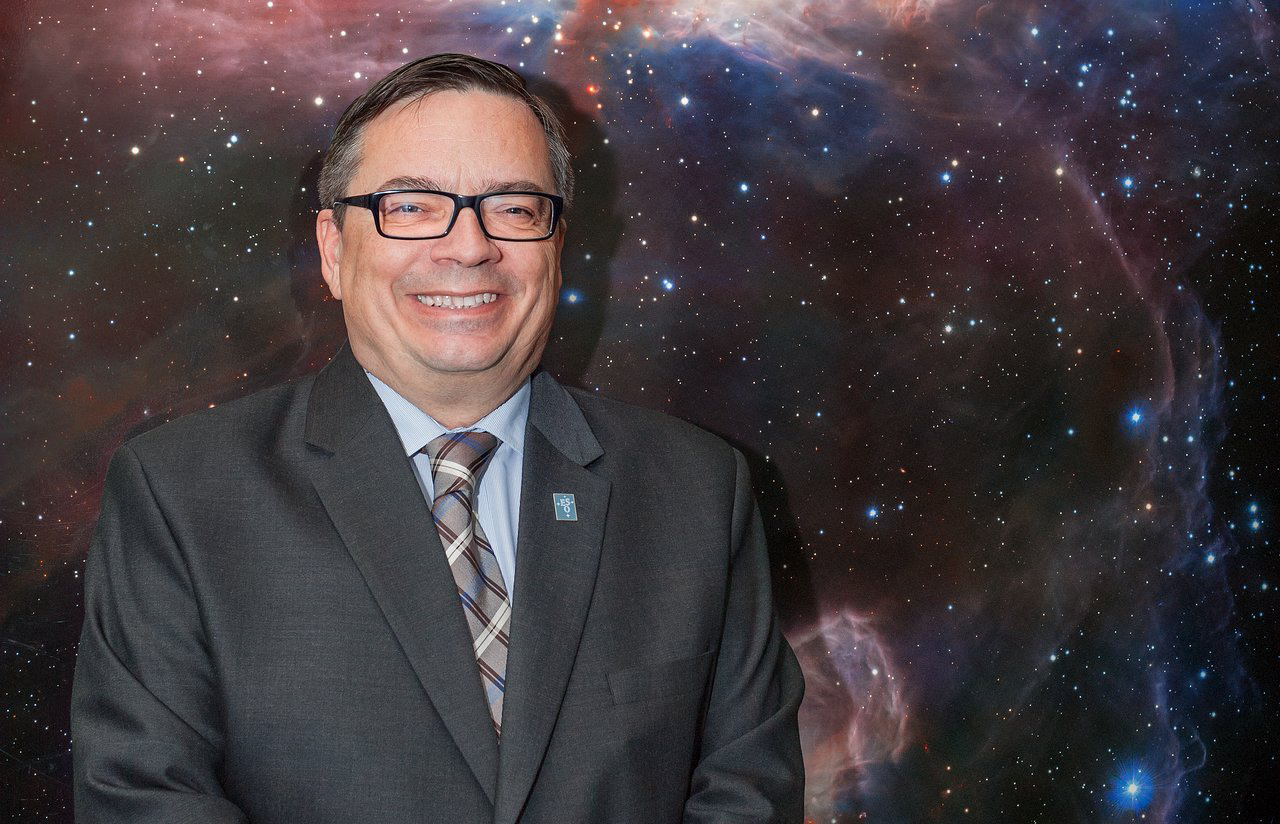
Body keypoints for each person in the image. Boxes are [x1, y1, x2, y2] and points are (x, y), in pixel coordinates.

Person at [71, 53, 805, 823]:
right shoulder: (182, 495)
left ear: (556, 246)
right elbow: (145, 800)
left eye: (515, 208)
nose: (467, 247)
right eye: (413, 206)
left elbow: (748, 793)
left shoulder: (698, 490)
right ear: (333, 249)